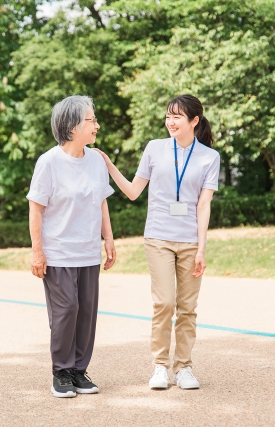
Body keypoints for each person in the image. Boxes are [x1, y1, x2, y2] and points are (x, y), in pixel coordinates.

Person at [94, 94, 220, 390]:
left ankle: (184, 368)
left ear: (194, 121)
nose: (170, 121)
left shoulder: (209, 157)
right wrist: (110, 165)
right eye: (168, 116)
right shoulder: (154, 148)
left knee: (187, 307)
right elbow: (134, 192)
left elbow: (204, 205)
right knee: (164, 303)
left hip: (190, 241)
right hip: (158, 238)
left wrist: (202, 247)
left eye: (177, 116)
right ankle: (160, 366)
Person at [27, 95, 116, 398]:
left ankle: (79, 370)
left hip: (88, 252)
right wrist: (37, 252)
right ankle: (61, 372)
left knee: (86, 313)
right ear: (72, 125)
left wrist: (109, 238)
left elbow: (101, 201)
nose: (97, 125)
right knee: (67, 310)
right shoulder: (49, 162)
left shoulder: (96, 160)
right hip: (59, 253)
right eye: (91, 120)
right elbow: (36, 208)